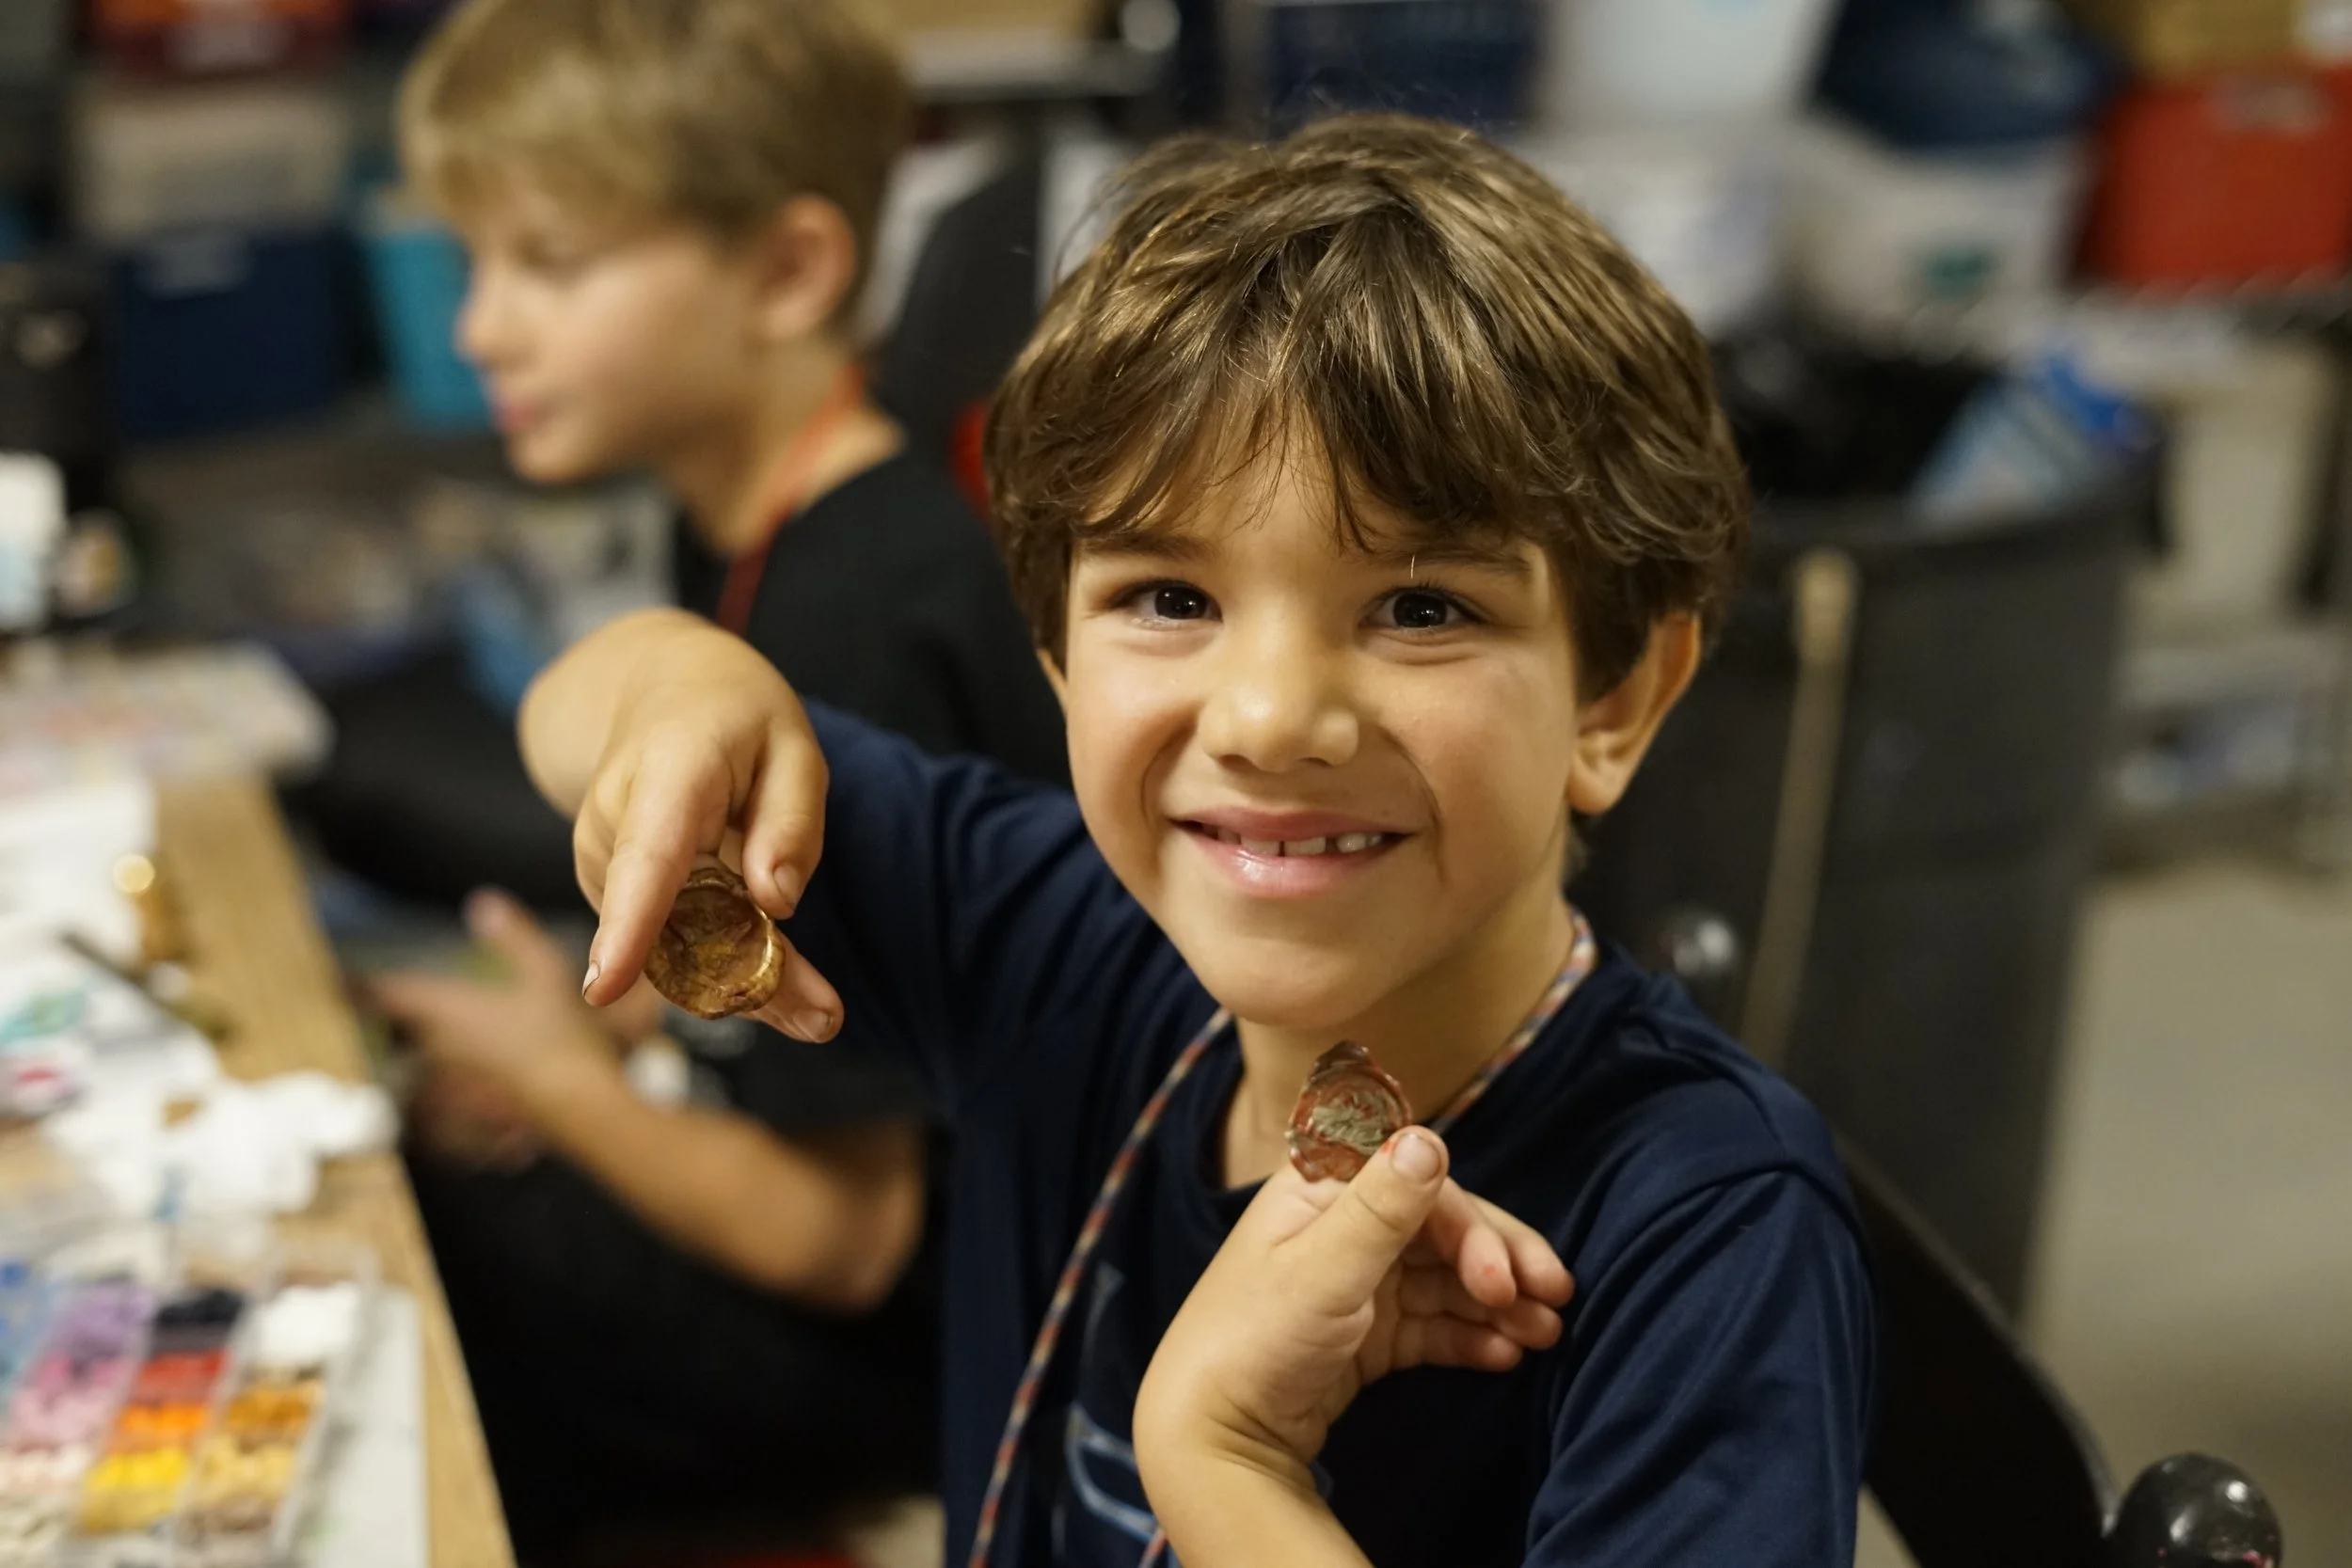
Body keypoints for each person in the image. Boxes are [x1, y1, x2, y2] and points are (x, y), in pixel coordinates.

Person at [522, 117, 1876, 1568]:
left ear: (1614, 702)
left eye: (1423, 609)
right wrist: (680, 682)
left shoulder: (1708, 1231)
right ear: (1055, 662)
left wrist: (1223, 1461)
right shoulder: (1064, 943)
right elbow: (572, 707)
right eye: (1170, 598)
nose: (1271, 717)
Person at [363, 0, 1064, 1552]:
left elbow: (847, 1232)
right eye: (477, 264)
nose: (479, 327)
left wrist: (565, 1084)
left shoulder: (858, 616)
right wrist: (600, 1044)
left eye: (548, 263)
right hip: (887, 1235)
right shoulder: (747, 522)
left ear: (789, 272)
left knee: (438, 1252)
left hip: (956, 1339)